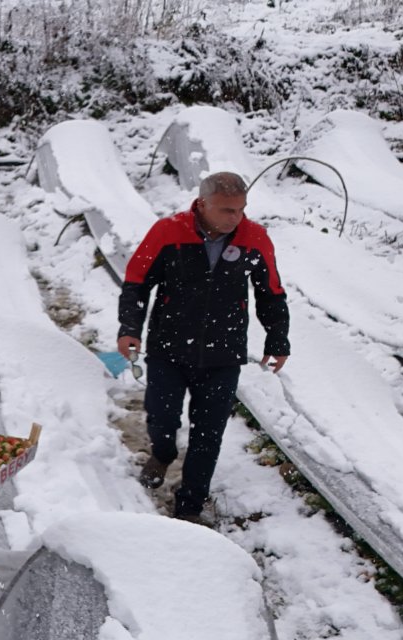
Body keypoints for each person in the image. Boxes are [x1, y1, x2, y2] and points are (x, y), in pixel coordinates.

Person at [117, 171, 290, 525]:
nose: (235, 218)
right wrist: (129, 329)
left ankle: (190, 505)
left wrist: (277, 339)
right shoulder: (168, 231)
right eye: (227, 210)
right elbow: (137, 281)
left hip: (223, 353)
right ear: (202, 204)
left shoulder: (254, 237)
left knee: (209, 433)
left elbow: (270, 291)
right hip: (168, 346)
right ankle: (162, 453)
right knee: (162, 417)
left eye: (241, 209)